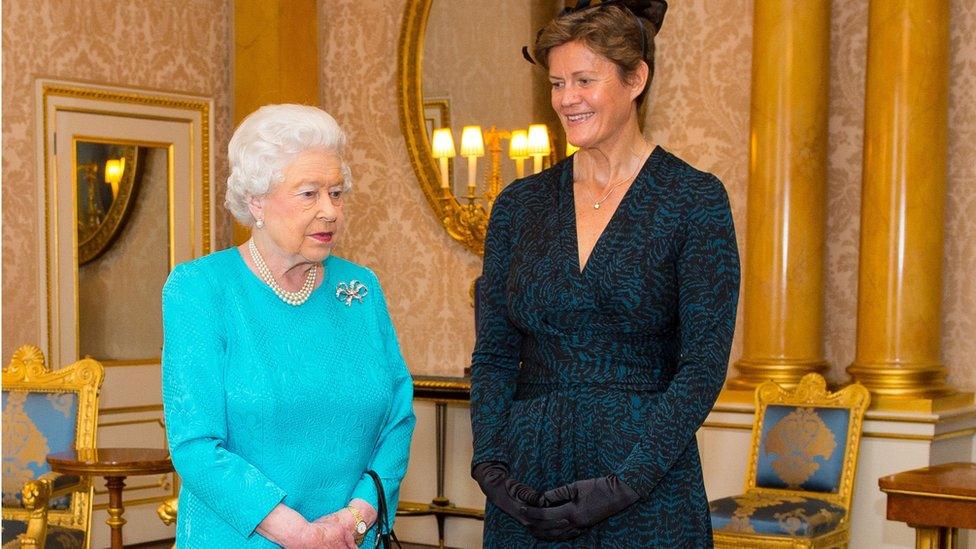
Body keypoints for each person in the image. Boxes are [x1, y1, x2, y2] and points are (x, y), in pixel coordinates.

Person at [469, 0, 740, 546]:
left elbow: (702, 367)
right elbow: (495, 354)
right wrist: (490, 464)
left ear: (635, 78)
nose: (566, 99)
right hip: (530, 485)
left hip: (644, 482)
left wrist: (626, 483)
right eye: (557, 83)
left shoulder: (694, 200)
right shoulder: (518, 206)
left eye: (585, 80)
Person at [162, 104, 415, 548]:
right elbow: (196, 446)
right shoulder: (201, 289)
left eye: (336, 193)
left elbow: (398, 418)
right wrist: (299, 534)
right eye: (309, 194)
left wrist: (353, 521)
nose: (330, 211)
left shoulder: (361, 289)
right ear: (257, 200)